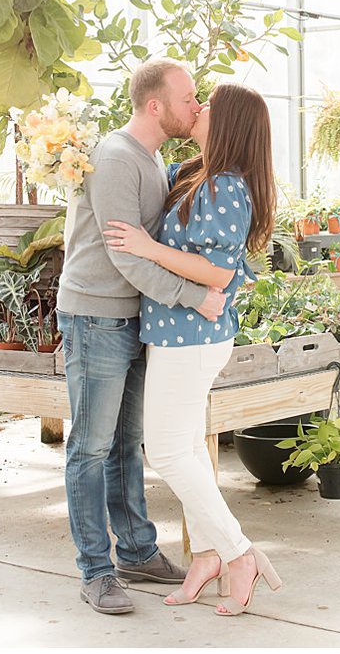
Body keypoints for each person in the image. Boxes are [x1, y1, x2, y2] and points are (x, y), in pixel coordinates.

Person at [103, 82, 284, 617]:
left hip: (193, 338)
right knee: (183, 452)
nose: (198, 108)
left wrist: (146, 247)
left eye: (209, 106)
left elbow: (219, 271)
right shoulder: (197, 173)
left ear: (229, 124)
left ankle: (238, 553)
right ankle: (206, 555)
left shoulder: (228, 185)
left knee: (166, 451)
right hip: (178, 334)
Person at [57, 59, 227, 615]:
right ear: (155, 106)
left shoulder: (151, 159)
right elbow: (124, 255)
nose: (196, 107)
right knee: (90, 448)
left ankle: (135, 551)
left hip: (134, 320)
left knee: (126, 445)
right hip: (97, 317)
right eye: (188, 99)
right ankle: (97, 571)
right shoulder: (114, 159)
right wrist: (193, 296)